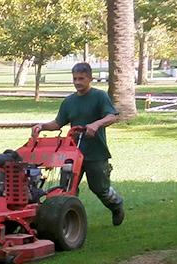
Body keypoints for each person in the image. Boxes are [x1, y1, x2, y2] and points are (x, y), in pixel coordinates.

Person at [31, 62, 126, 226]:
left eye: (81, 79)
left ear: (90, 78)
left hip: (95, 152)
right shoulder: (70, 101)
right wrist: (42, 126)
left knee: (100, 188)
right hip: (71, 153)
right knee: (67, 189)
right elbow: (58, 123)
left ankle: (116, 206)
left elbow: (112, 116)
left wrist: (96, 124)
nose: (77, 82)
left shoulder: (100, 96)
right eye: (75, 79)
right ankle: (66, 223)